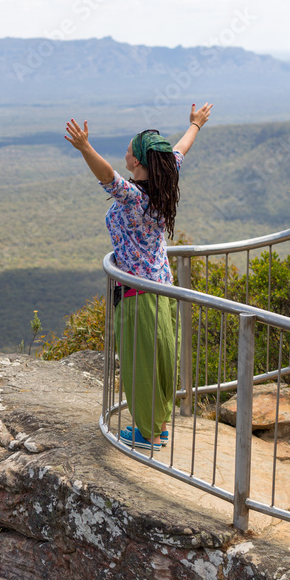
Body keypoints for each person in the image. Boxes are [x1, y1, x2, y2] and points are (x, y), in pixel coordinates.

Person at [64, 103, 213, 449]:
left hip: (137, 294)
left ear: (138, 162)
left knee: (140, 364)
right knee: (160, 361)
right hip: (161, 288)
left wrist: (85, 147)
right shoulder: (164, 181)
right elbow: (179, 150)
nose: (126, 152)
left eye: (130, 149)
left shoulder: (133, 198)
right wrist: (195, 125)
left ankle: (146, 433)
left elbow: (107, 177)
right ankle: (157, 427)